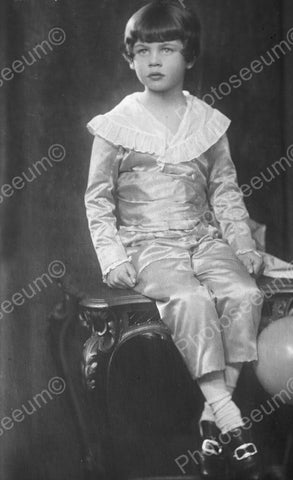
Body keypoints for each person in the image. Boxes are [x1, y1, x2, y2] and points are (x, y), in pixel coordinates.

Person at [85, 1, 264, 478]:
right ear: (130, 60)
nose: (154, 61)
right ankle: (230, 417)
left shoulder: (207, 123)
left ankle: (211, 414)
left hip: (203, 239)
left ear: (189, 55)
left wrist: (242, 245)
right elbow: (97, 201)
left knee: (245, 293)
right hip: (148, 244)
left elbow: (225, 192)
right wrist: (112, 255)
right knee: (190, 298)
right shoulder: (116, 124)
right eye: (143, 51)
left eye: (167, 49)